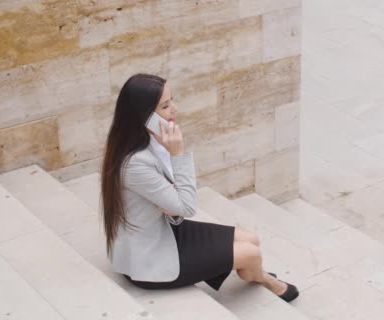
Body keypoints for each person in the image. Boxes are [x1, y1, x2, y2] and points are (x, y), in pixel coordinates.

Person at [100, 73, 299, 302]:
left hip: (166, 229)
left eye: (172, 101)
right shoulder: (135, 162)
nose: (174, 109)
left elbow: (177, 203)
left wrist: (173, 203)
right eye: (165, 106)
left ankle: (252, 270)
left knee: (251, 239)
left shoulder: (149, 141)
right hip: (150, 258)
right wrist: (178, 155)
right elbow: (187, 205)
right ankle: (264, 279)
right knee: (251, 254)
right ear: (145, 117)